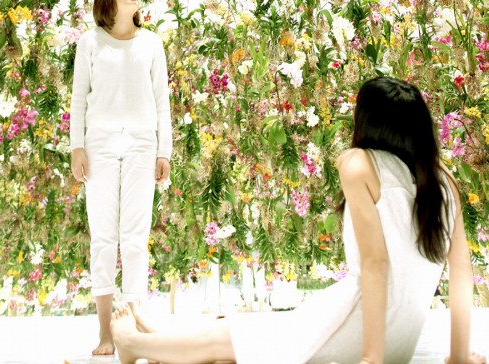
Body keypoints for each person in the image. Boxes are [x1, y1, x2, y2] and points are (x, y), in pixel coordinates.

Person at [110, 76, 486, 364]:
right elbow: (460, 278)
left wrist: (371, 358)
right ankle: (158, 333)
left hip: (366, 328)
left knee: (229, 338)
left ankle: (133, 344)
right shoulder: (442, 181)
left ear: (368, 122)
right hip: (400, 339)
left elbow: (376, 264)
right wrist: (456, 356)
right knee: (243, 337)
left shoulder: (357, 162)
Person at [70, 0, 172, 358]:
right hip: (99, 146)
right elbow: (79, 98)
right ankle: (105, 332)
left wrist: (165, 151)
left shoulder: (151, 43)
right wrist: (76, 147)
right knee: (103, 237)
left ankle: (131, 326)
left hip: (143, 146)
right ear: (108, 2)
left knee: (134, 236)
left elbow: (162, 102)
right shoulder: (90, 42)